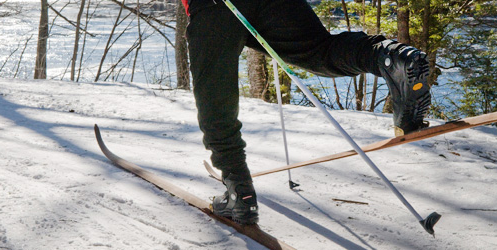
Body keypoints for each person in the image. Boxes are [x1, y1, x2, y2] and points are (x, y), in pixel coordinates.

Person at [180, 0, 431, 225]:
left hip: (214, 5)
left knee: (215, 101)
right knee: (319, 51)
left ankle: (239, 192)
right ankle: (390, 56)